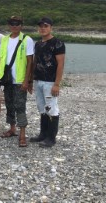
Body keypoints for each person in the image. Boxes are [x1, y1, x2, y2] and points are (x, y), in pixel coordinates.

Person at [0, 16, 34, 147]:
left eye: (17, 23)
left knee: (20, 106)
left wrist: (27, 81)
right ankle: (12, 129)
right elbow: (0, 59)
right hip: (6, 79)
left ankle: (22, 133)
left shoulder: (26, 40)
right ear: (9, 25)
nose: (14, 26)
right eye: (12, 23)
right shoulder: (4, 39)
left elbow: (30, 62)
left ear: (21, 25)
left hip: (19, 79)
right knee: (9, 104)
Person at [30, 17, 66, 148]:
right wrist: (30, 79)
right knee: (42, 107)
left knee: (51, 108)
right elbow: (35, 62)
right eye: (40, 26)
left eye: (45, 26)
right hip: (38, 80)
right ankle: (43, 134)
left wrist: (57, 84)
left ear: (51, 27)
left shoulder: (58, 43)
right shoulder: (38, 44)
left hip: (50, 82)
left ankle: (51, 138)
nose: (42, 28)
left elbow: (60, 64)